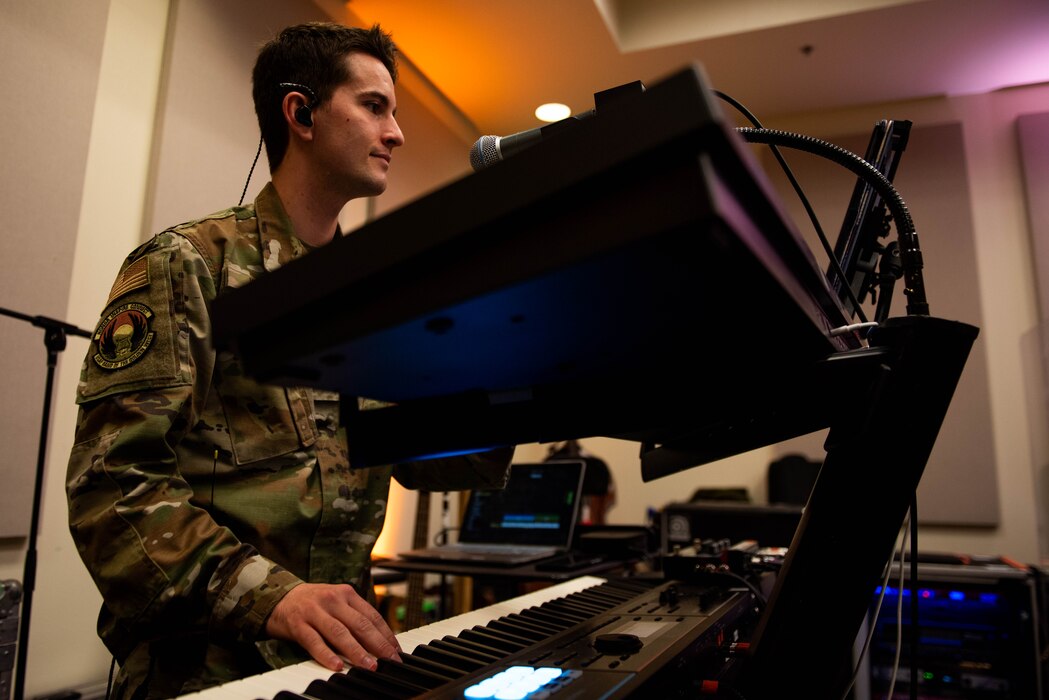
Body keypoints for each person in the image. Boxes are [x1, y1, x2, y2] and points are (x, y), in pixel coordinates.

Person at [65, 22, 512, 699]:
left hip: (334, 666)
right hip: (206, 671)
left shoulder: (372, 300)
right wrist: (271, 597)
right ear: (300, 112)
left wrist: (530, 374)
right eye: (373, 106)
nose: (395, 133)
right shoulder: (187, 264)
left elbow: (420, 454)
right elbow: (112, 492)